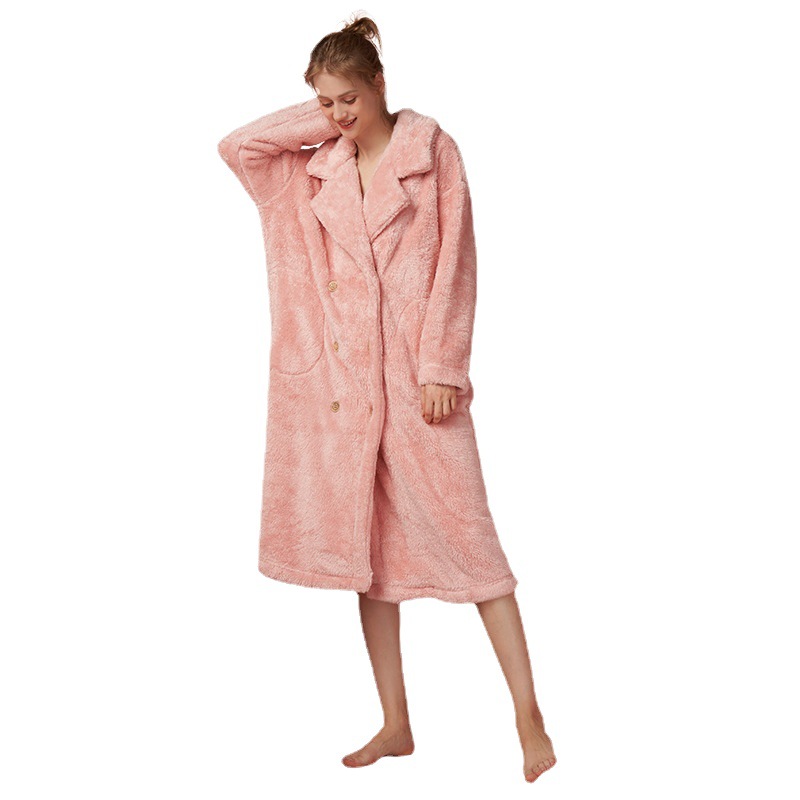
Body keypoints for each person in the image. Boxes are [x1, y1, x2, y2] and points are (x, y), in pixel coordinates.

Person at [217, 15, 557, 784]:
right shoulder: (311, 171)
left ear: (381, 84)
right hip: (341, 395)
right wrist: (327, 118)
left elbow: (456, 262)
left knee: (476, 550)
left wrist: (443, 365)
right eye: (325, 103)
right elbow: (239, 146)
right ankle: (396, 722)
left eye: (350, 99)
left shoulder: (431, 156)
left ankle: (528, 715)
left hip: (417, 385)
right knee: (368, 563)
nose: (338, 115)